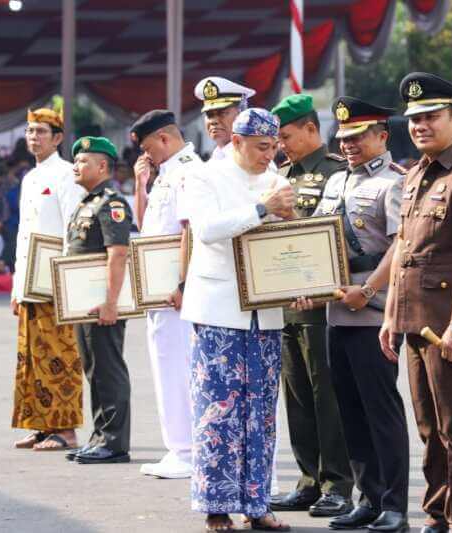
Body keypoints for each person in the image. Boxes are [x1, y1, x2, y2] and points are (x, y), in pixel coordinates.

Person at [379, 72, 452, 533]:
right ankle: (437, 513)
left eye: (430, 116)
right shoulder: (415, 174)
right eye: (413, 118)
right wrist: (391, 315)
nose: (420, 125)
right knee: (428, 429)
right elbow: (405, 249)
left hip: (447, 326)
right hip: (412, 322)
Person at [293, 97, 411, 532]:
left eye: (358, 136)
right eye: (342, 138)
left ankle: (395, 505)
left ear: (382, 135)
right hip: (336, 310)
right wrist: (305, 287)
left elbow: (401, 246)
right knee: (350, 410)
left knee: (381, 411)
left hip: (373, 311)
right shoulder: (335, 182)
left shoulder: (395, 182)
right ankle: (368, 497)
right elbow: (315, 241)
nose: (348, 145)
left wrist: (370, 289)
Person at [179, 108, 293, 532]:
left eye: (274, 146)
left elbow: (291, 240)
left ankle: (257, 502)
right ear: (237, 142)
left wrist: (302, 274)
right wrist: (262, 209)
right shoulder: (206, 177)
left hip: (265, 312)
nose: (270, 154)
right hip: (218, 310)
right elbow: (207, 229)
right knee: (217, 413)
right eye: (262, 147)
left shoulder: (276, 179)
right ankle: (216, 505)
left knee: (261, 413)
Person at [269, 94, 354, 517]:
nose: (281, 144)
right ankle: (307, 479)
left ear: (309, 128)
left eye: (286, 135)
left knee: (327, 395)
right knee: (297, 394)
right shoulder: (279, 177)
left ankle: (337, 483)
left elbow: (336, 238)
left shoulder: (337, 172)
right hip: (283, 301)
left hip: (321, 303)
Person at [129, 109, 203, 479]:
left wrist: (183, 283)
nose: (146, 156)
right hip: (158, 289)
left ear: (163, 139)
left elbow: (191, 230)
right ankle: (178, 447)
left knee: (179, 367)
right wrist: (141, 184)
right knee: (165, 365)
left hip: (176, 292)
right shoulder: (166, 173)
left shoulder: (188, 169)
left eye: (147, 148)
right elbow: (146, 229)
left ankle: (188, 449)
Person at [10, 109, 84, 451]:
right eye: (29, 131)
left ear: (57, 138)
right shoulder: (30, 177)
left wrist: (68, 279)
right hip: (30, 279)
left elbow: (73, 228)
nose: (33, 137)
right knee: (32, 355)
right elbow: (24, 235)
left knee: (61, 353)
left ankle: (65, 429)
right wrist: (16, 286)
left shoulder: (67, 174)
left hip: (55, 277)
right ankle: (41, 424)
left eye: (40, 131)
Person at [63, 136, 133, 465]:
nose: (76, 166)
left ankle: (115, 442)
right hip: (83, 302)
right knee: (94, 369)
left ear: (102, 166)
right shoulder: (86, 202)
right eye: (76, 161)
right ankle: (99, 436)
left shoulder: (111, 203)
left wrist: (110, 301)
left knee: (109, 369)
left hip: (103, 303)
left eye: (83, 162)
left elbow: (117, 254)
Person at [193, 76, 256, 161]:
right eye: (209, 115)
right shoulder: (215, 157)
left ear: (242, 114)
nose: (213, 121)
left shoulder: (253, 159)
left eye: (222, 113)